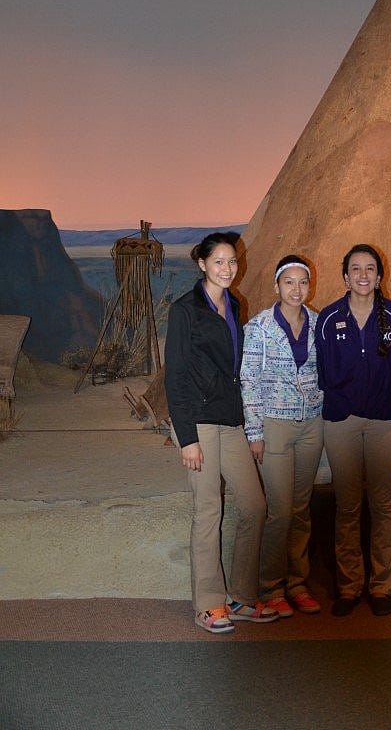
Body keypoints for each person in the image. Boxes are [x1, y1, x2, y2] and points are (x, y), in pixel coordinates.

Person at [164, 231, 277, 633]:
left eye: (232, 262)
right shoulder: (185, 310)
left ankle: (243, 596)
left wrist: (249, 425)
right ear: (202, 264)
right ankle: (209, 603)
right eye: (219, 262)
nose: (227, 269)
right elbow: (175, 377)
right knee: (208, 510)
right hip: (199, 422)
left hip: (231, 421)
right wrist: (187, 437)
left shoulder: (235, 304)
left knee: (254, 505)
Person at [315, 244, 391, 617]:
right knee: (348, 505)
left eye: (370, 268)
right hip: (342, 422)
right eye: (356, 269)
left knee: (383, 504)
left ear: (379, 276)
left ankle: (382, 586)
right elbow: (323, 370)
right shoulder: (329, 318)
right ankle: (350, 586)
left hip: (384, 421)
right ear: (345, 276)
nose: (363, 275)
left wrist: (389, 404)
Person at [241, 255, 324, 617]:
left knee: (302, 508)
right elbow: (249, 380)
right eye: (288, 282)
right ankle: (271, 587)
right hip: (274, 425)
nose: (296, 289)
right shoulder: (259, 327)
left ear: (310, 286)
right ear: (277, 286)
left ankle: (297, 582)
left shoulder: (319, 323)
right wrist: (255, 431)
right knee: (280, 510)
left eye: (302, 282)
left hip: (312, 424)